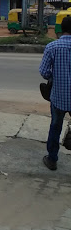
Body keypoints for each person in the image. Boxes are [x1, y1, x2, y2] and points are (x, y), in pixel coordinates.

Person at [39, 16, 71, 170]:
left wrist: (55, 76)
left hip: (59, 96)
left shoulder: (52, 47)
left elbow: (44, 72)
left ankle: (52, 159)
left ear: (61, 29)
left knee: (55, 126)